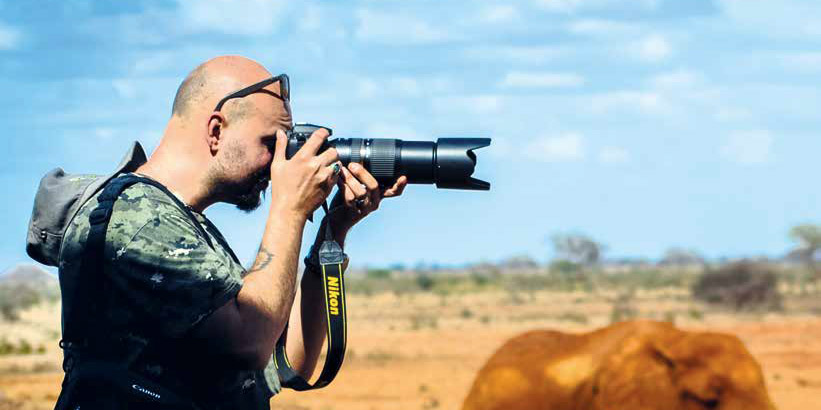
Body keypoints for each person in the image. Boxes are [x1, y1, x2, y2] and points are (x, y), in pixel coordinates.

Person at [56, 55, 408, 409]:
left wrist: (333, 229)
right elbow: (249, 346)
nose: (277, 164)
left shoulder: (185, 224)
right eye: (271, 143)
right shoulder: (137, 219)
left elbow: (289, 364)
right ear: (216, 130)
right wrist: (289, 209)